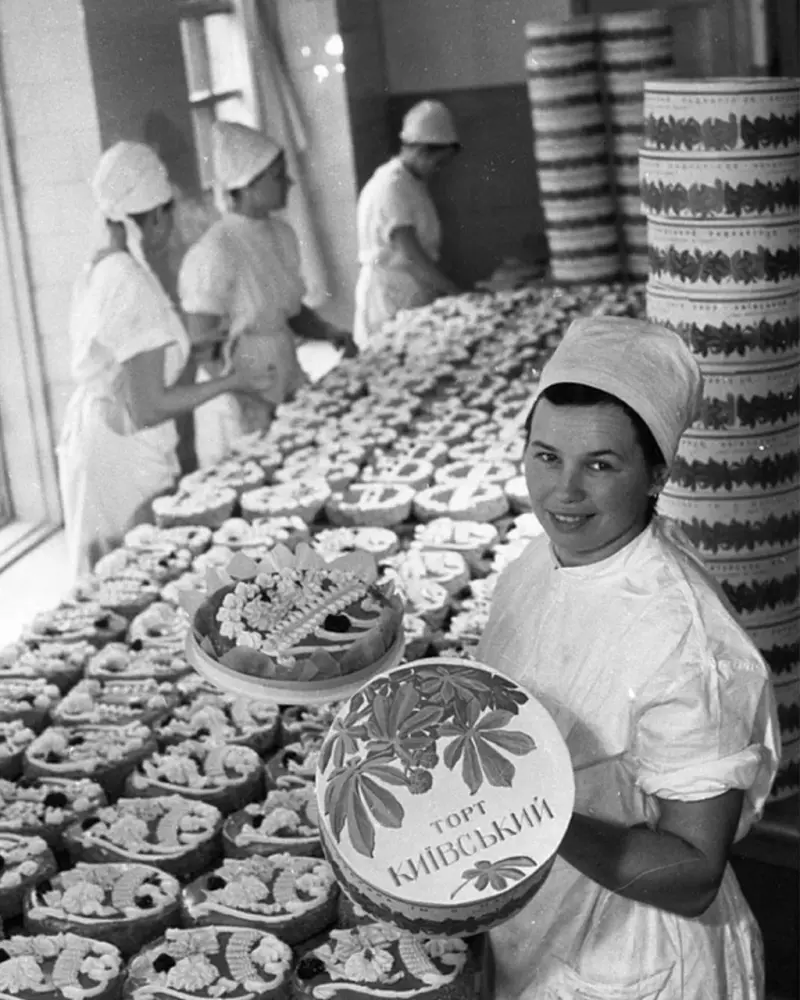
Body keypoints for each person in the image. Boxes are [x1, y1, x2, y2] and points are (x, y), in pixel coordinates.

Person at [476, 317, 779, 999]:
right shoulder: (531, 567)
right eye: (546, 456)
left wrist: (527, 815)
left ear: (657, 476)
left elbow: (695, 873)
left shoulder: (684, 640)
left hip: (641, 959)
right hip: (538, 919)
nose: (564, 493)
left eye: (601, 465)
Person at [57, 141, 272, 581]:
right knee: (133, 572)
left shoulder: (102, 265)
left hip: (101, 432)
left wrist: (192, 352)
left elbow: (133, 368)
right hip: (124, 448)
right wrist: (232, 381)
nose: (170, 227)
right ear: (155, 215)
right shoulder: (129, 281)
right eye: (168, 214)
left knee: (116, 570)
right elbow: (149, 404)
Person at [179, 121, 356, 468]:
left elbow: (288, 309)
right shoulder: (216, 249)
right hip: (237, 391)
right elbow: (201, 343)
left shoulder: (281, 233)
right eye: (278, 176)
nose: (288, 182)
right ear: (247, 185)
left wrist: (329, 332)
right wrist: (244, 394)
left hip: (283, 366)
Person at [353, 99, 462, 349]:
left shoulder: (410, 182)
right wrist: (453, 292)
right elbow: (411, 253)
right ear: (422, 151)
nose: (439, 170)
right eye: (439, 162)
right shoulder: (391, 186)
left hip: (410, 291)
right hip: (390, 296)